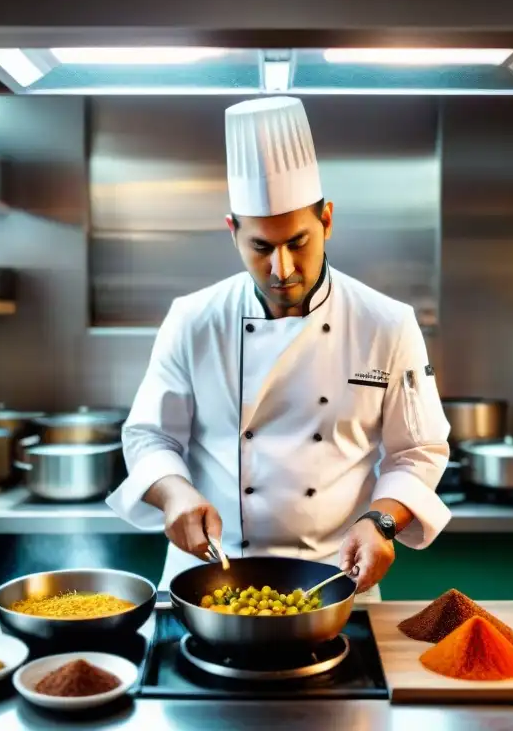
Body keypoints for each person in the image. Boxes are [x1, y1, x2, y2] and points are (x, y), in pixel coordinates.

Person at [106, 96, 451, 599]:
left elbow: (417, 451)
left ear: (327, 220)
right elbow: (148, 437)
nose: (282, 268)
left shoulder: (386, 322)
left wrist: (381, 521)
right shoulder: (194, 318)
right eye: (261, 248)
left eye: (298, 242)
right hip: (207, 577)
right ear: (233, 232)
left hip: (335, 579)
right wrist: (174, 493)